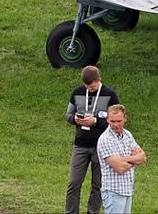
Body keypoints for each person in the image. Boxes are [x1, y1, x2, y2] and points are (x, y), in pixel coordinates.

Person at [66, 66, 120, 214]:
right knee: (74, 183)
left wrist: (95, 121)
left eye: (93, 85)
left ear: (99, 80)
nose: (90, 88)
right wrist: (75, 119)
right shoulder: (77, 93)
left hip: (101, 147)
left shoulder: (110, 95)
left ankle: (93, 211)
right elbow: (68, 115)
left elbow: (115, 121)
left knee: (98, 185)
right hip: (80, 145)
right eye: (87, 86)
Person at [97, 104, 147, 214]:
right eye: (112, 121)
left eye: (119, 121)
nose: (115, 124)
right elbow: (120, 168)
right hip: (113, 191)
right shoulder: (105, 139)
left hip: (127, 189)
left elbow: (143, 157)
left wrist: (123, 159)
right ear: (107, 120)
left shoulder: (127, 135)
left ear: (125, 118)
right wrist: (134, 160)